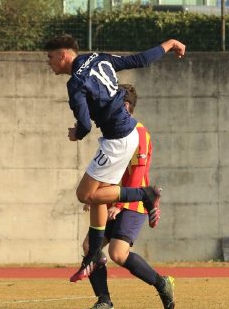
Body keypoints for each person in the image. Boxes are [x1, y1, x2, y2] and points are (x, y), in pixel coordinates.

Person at [44, 35, 186, 282]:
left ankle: (145, 195)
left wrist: (75, 133)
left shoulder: (75, 83)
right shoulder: (98, 58)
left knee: (84, 195)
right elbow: (140, 59)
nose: (49, 63)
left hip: (116, 142)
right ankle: (94, 256)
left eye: (50, 57)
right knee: (97, 197)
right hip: (127, 134)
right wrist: (169, 44)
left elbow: (86, 125)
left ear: (63, 55)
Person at [81, 84, 175, 309]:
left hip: (133, 201)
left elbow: (136, 175)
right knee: (88, 246)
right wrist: (95, 195)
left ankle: (162, 283)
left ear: (124, 106)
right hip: (114, 198)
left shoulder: (139, 133)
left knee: (117, 253)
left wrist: (119, 205)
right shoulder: (115, 132)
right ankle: (105, 302)